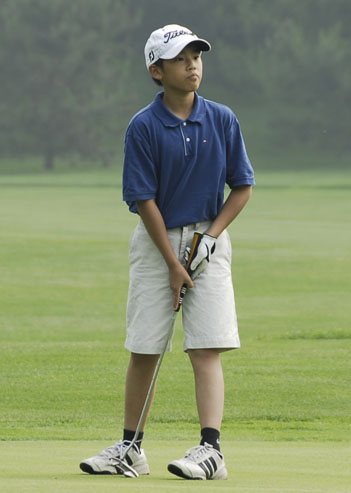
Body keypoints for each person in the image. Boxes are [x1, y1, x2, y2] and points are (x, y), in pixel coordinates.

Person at [80, 24, 255, 480]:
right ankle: (131, 449)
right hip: (157, 241)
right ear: (157, 70)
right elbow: (143, 200)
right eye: (181, 58)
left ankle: (211, 451)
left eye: (196, 55)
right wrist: (174, 263)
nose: (193, 63)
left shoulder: (222, 118)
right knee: (144, 348)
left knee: (205, 348)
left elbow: (242, 186)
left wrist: (211, 237)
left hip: (209, 239)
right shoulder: (142, 127)